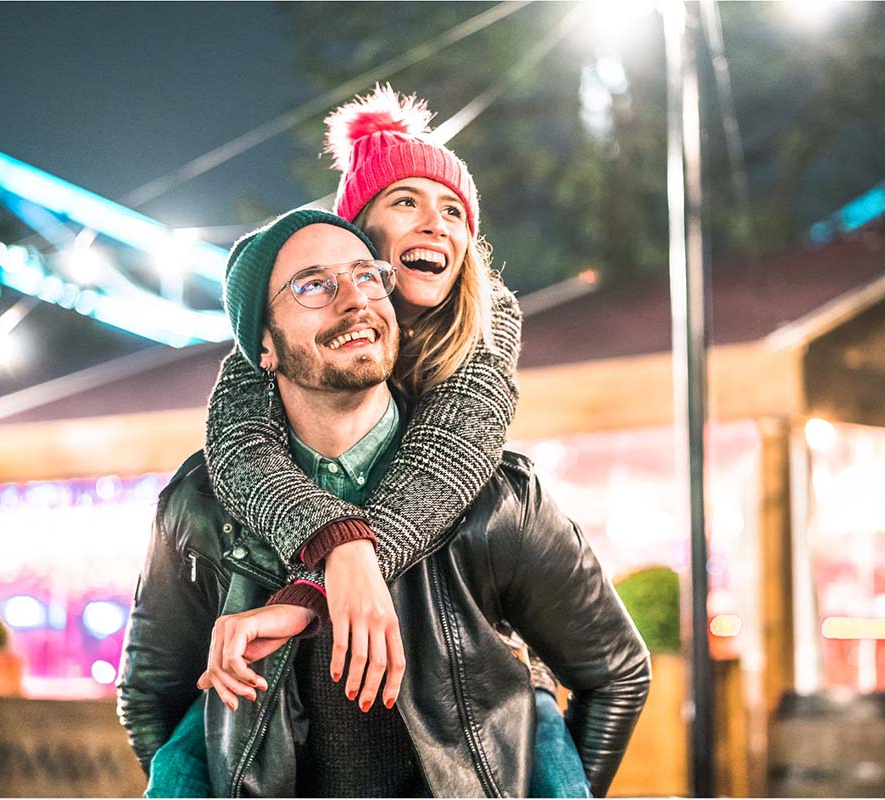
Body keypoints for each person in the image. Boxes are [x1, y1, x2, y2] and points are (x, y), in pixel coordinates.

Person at [117, 211, 651, 797]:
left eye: (368, 276)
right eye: (314, 285)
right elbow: (151, 699)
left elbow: (616, 675)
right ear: (263, 345)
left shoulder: (496, 502)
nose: (354, 300)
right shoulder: (200, 505)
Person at [197, 85, 585, 795]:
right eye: (406, 201)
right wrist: (332, 540)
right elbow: (237, 442)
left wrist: (326, 573)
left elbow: (452, 452)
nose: (435, 224)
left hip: (476, 701)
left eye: (455, 211)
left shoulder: (487, 320)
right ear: (357, 227)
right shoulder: (289, 312)